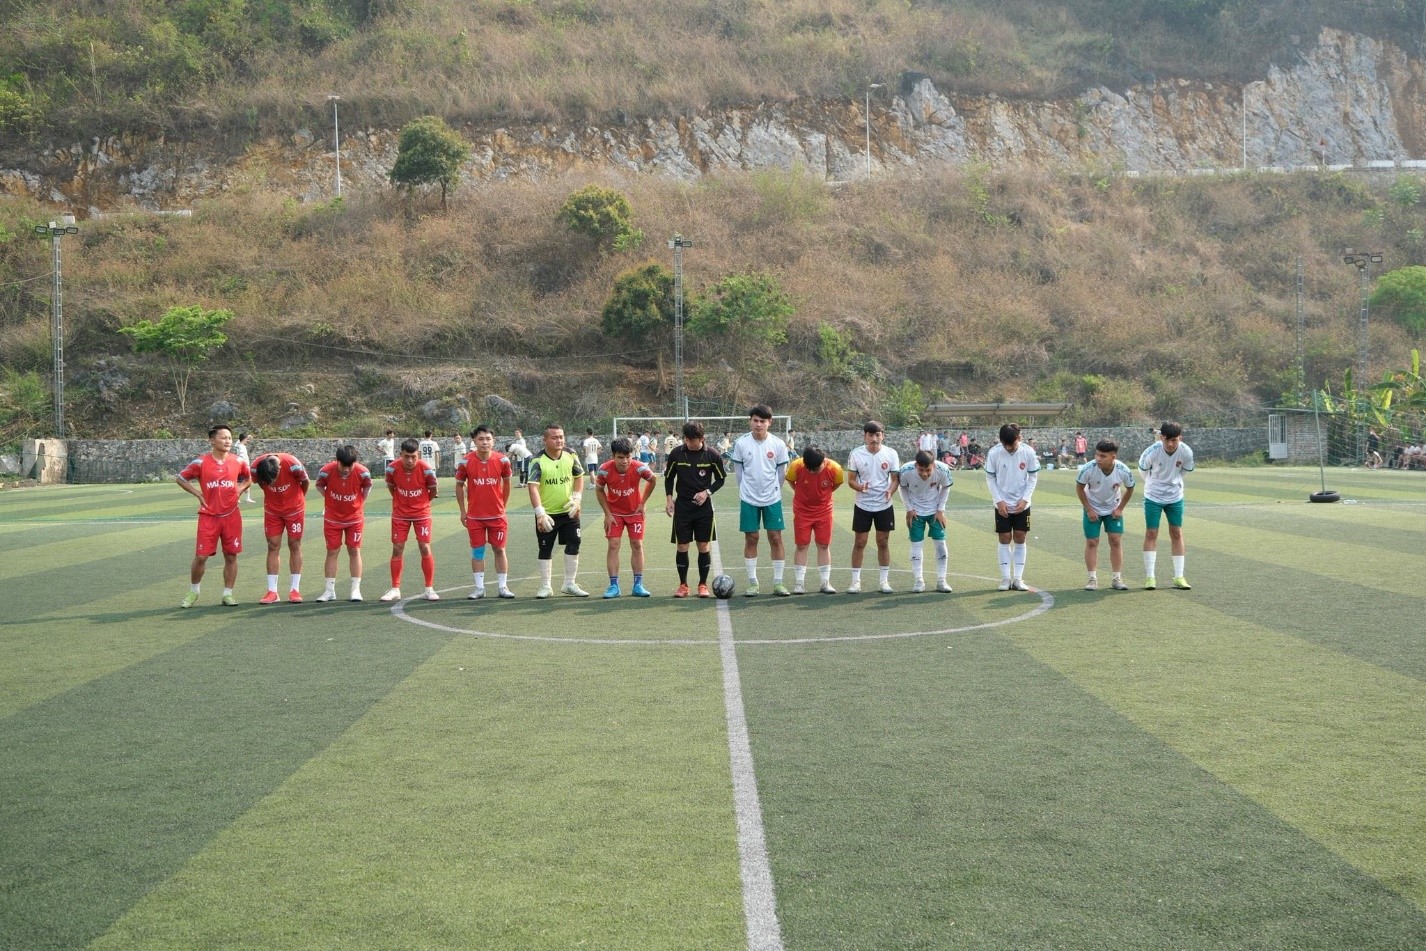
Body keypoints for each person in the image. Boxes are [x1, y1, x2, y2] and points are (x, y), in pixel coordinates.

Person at [176, 424, 251, 607]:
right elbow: (181, 478)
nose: (227, 441)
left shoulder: (238, 461)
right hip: (208, 516)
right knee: (201, 556)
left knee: (231, 556)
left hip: (231, 515)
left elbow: (249, 479)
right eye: (223, 437)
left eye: (229, 438)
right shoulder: (201, 463)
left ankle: (227, 594)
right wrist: (198, 493)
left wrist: (239, 489)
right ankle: (194, 592)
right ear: (212, 440)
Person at [725, 404, 792, 596]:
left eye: (762, 421)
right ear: (750, 421)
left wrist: (774, 491)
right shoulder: (741, 443)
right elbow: (739, 472)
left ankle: (778, 582)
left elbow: (781, 473)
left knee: (775, 537)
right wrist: (746, 491)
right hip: (748, 498)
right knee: (751, 538)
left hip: (772, 498)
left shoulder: (778, 444)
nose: (758, 424)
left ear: (769, 422)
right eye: (755, 420)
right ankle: (753, 583)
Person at [664, 421, 726, 598]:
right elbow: (669, 478)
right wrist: (669, 500)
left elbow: (721, 479)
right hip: (682, 507)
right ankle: (683, 585)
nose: (689, 443)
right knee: (682, 545)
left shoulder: (712, 455)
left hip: (703, 509)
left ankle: (702, 585)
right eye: (686, 439)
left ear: (702, 438)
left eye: (692, 440)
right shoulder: (677, 453)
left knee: (703, 545)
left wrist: (707, 492)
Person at [455, 425, 516, 600]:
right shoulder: (465, 462)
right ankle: (479, 588)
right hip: (475, 516)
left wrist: (503, 506)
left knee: (499, 549)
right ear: (474, 441)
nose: (485, 442)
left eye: (488, 439)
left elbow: (507, 483)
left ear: (493, 441)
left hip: (497, 516)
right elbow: (459, 485)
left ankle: (503, 587)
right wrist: (463, 511)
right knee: (477, 551)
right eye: (481, 439)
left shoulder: (502, 460)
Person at [527, 423, 588, 598]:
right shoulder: (537, 461)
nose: (559, 440)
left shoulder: (571, 454)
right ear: (545, 440)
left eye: (561, 437)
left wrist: (577, 499)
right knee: (545, 548)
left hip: (569, 511)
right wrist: (540, 513)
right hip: (547, 514)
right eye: (554, 437)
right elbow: (533, 487)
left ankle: (569, 584)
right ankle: (546, 586)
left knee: (574, 543)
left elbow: (579, 477)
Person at [595, 437, 657, 598]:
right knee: (613, 545)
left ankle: (638, 585)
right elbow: (599, 490)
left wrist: (642, 503)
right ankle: (613, 586)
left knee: (637, 544)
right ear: (613, 456)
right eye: (620, 457)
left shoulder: (639, 468)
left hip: (635, 513)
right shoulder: (604, 470)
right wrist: (607, 514)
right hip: (614, 514)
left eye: (628, 457)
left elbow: (653, 479)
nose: (625, 461)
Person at [382, 437, 440, 602]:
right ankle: (395, 589)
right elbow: (392, 488)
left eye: (413, 457)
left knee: (424, 547)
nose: (409, 460)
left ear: (418, 455)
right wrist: (402, 502)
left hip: (421, 514)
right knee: (397, 548)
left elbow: (433, 491)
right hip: (400, 514)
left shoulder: (426, 470)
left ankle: (429, 589)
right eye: (406, 456)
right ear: (400, 454)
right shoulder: (392, 469)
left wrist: (421, 504)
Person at [845, 420, 901, 593]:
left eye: (877, 435)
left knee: (883, 542)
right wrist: (860, 487)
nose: (874, 439)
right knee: (860, 542)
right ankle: (855, 581)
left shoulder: (891, 453)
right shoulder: (856, 454)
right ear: (865, 436)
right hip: (863, 505)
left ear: (883, 436)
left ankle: (884, 581)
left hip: (884, 505)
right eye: (870, 435)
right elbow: (851, 480)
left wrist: (890, 491)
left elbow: (895, 479)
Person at [1139, 421, 1195, 590]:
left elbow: (1184, 472)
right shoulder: (1152, 451)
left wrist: (1173, 483)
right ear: (1161, 437)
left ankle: (1179, 577)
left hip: (1175, 497)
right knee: (1151, 533)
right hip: (1153, 496)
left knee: (1176, 532)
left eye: (1174, 440)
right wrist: (1155, 485)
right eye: (1167, 440)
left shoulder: (1186, 452)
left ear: (1180, 438)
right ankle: (1150, 577)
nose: (1171, 444)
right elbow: (1143, 471)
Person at [985, 422, 1040, 591]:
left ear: (1019, 438)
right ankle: (1005, 578)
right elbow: (990, 479)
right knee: (1004, 538)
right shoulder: (994, 453)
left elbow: (1033, 478)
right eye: (1005, 444)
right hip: (1002, 503)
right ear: (1001, 441)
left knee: (1020, 537)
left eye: (1012, 444)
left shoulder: (1028, 452)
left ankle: (1018, 579)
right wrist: (998, 501)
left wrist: (1025, 499)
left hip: (1022, 503)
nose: (1008, 448)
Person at [251, 449, 310, 603]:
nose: (272, 483)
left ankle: (295, 590)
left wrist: (297, 500)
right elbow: (257, 482)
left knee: (294, 544)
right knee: (272, 545)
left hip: (295, 510)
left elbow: (305, 482)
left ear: (280, 468)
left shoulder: (293, 464)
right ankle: (272, 592)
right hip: (272, 511)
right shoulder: (256, 466)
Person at [1076, 439, 1135, 591]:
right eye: (1097, 455)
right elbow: (1079, 488)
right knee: (1092, 542)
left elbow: (1130, 489)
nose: (1098, 459)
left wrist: (1120, 509)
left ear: (1113, 457)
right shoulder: (1088, 468)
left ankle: (1117, 578)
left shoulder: (1123, 470)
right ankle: (1092, 579)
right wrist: (1089, 509)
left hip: (1113, 508)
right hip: (1092, 507)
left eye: (1103, 456)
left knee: (1115, 540)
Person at [314, 444, 371, 602]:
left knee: (354, 550)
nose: (346, 469)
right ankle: (329, 591)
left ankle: (355, 590)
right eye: (343, 465)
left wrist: (358, 503)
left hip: (355, 519)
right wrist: (330, 499)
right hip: (332, 518)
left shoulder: (363, 472)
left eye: (350, 466)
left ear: (355, 462)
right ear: (337, 461)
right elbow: (319, 485)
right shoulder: (326, 471)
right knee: (332, 551)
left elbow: (367, 488)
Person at [786, 445, 843, 594]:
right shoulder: (796, 466)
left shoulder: (835, 469)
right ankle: (799, 584)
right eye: (809, 468)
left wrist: (823, 496)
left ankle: (825, 583)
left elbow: (836, 485)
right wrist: (801, 492)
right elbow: (791, 481)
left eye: (815, 469)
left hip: (824, 511)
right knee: (801, 545)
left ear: (823, 461)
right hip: (802, 511)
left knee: (823, 545)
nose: (811, 472)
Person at [898, 450, 954, 593]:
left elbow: (946, 488)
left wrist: (940, 510)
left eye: (928, 470)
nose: (924, 474)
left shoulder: (943, 469)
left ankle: (942, 580)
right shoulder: (905, 470)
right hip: (916, 512)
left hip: (935, 511)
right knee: (916, 544)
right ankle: (919, 581)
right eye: (921, 470)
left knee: (940, 543)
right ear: (916, 465)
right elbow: (902, 488)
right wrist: (909, 509)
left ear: (933, 465)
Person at [234, 430, 255, 503]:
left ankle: (246, 498)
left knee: (243, 481)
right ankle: (238, 497)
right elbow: (242, 457)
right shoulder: (242, 447)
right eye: (246, 439)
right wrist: (245, 466)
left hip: (240, 466)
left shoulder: (238, 445)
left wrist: (245, 437)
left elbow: (238, 442)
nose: (247, 441)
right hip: (243, 467)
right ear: (244, 439)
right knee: (245, 481)